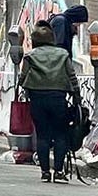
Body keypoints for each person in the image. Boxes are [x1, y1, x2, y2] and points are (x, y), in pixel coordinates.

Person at [20, 24, 81, 183]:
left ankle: (45, 171)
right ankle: (59, 171)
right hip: (58, 97)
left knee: (42, 135)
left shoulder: (30, 56)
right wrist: (77, 97)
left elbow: (23, 77)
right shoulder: (63, 54)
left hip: (37, 98)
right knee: (60, 134)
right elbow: (72, 76)